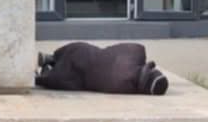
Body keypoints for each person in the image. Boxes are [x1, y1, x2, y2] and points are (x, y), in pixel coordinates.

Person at [35, 42, 169, 95]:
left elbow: (114, 49)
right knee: (62, 79)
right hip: (78, 76)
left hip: (83, 52)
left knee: (77, 51)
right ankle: (45, 72)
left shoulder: (137, 51)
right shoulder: (126, 87)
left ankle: (51, 59)